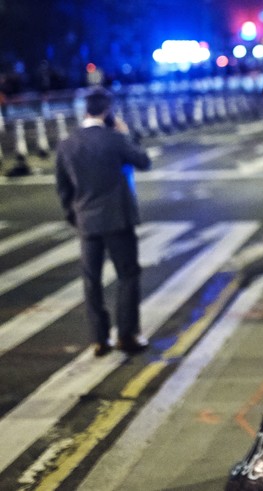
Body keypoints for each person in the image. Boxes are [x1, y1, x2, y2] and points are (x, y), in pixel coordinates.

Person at [55, 87, 151, 358]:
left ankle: (99, 338)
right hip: (118, 219)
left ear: (84, 111)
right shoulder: (114, 139)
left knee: (91, 280)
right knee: (128, 275)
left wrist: (74, 216)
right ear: (107, 111)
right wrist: (125, 135)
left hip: (87, 220)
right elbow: (144, 161)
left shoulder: (67, 143)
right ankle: (127, 334)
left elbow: (63, 188)